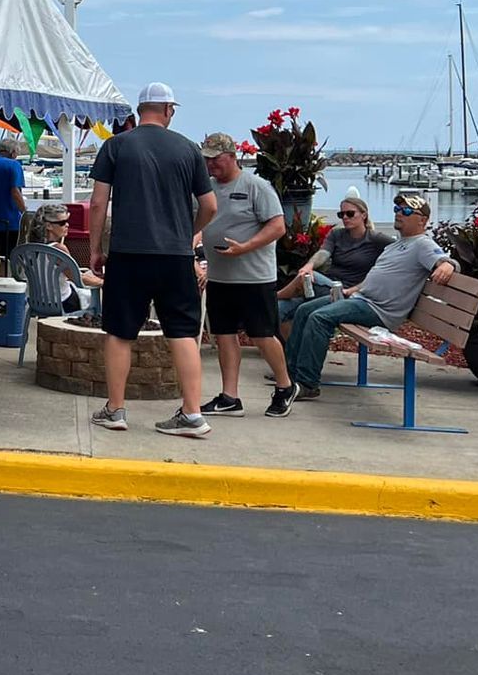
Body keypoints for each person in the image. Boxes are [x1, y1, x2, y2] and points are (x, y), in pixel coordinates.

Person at [85, 82, 216, 438]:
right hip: (175, 256)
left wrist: (96, 249)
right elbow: (210, 206)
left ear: (140, 111)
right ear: (168, 110)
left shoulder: (116, 146)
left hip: (128, 253)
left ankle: (115, 409)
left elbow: (98, 203)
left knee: (120, 332)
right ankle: (192, 413)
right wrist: (188, 233)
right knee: (183, 332)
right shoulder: (189, 149)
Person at [285, 193, 455, 400]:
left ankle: (307, 383)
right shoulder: (395, 245)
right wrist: (352, 291)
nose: (400, 214)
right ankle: (289, 375)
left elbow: (443, 260)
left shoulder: (422, 245)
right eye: (397, 210)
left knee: (319, 318)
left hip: (379, 310)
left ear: (423, 220)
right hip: (360, 299)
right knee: (304, 310)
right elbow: (375, 277)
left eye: (407, 211)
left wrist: (448, 265)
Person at [193, 133, 298, 419]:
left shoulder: (255, 186)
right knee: (224, 334)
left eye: (216, 158)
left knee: (262, 335)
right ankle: (230, 396)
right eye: (207, 158)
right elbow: (198, 221)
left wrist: (245, 248)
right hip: (220, 276)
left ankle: (285, 385)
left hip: (254, 277)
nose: (211, 163)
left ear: (232, 156)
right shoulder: (208, 189)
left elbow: (278, 227)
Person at [277, 192, 389, 335]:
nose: (345, 218)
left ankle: (275, 295)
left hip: (346, 293)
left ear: (364, 215)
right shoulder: (337, 235)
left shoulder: (376, 239)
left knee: (311, 278)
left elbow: (401, 252)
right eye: (341, 215)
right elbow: (323, 253)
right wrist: (309, 265)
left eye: (350, 214)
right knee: (279, 309)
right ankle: (287, 354)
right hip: (327, 288)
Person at [20, 202, 100, 313]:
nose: (67, 225)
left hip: (34, 302)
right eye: (62, 223)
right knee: (96, 298)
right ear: (48, 226)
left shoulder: (28, 249)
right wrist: (103, 282)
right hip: (62, 303)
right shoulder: (58, 250)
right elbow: (78, 280)